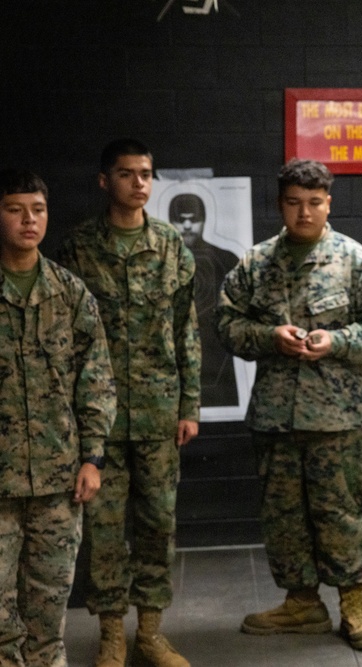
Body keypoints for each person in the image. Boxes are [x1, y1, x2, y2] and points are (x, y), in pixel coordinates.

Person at [217, 159, 362, 651]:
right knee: (284, 516)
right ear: (281, 205)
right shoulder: (258, 263)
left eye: (314, 203)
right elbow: (226, 323)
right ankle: (301, 603)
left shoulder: (353, 260)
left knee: (342, 512)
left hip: (340, 420)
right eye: (295, 203)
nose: (305, 213)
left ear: (328, 204)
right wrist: (269, 336)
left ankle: (354, 605)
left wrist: (337, 341)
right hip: (277, 418)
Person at [57, 139, 200, 667]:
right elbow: (66, 338)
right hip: (101, 419)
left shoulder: (170, 248)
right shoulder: (77, 249)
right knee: (105, 529)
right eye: (126, 174)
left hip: (160, 413)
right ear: (104, 181)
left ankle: (152, 633)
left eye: (145, 174)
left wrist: (190, 405)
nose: (139, 183)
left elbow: (187, 331)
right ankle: (112, 633)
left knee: (159, 525)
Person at [0, 169, 116, 666]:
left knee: (48, 614)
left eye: (38, 209)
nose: (29, 220)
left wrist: (93, 457)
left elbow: (96, 383)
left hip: (58, 480)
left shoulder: (71, 295)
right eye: (15, 209)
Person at [167, 192, 240, 407]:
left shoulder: (225, 260)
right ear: (171, 221)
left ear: (204, 220)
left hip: (216, 356)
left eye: (194, 219)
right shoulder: (157, 261)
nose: (188, 225)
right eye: (181, 219)